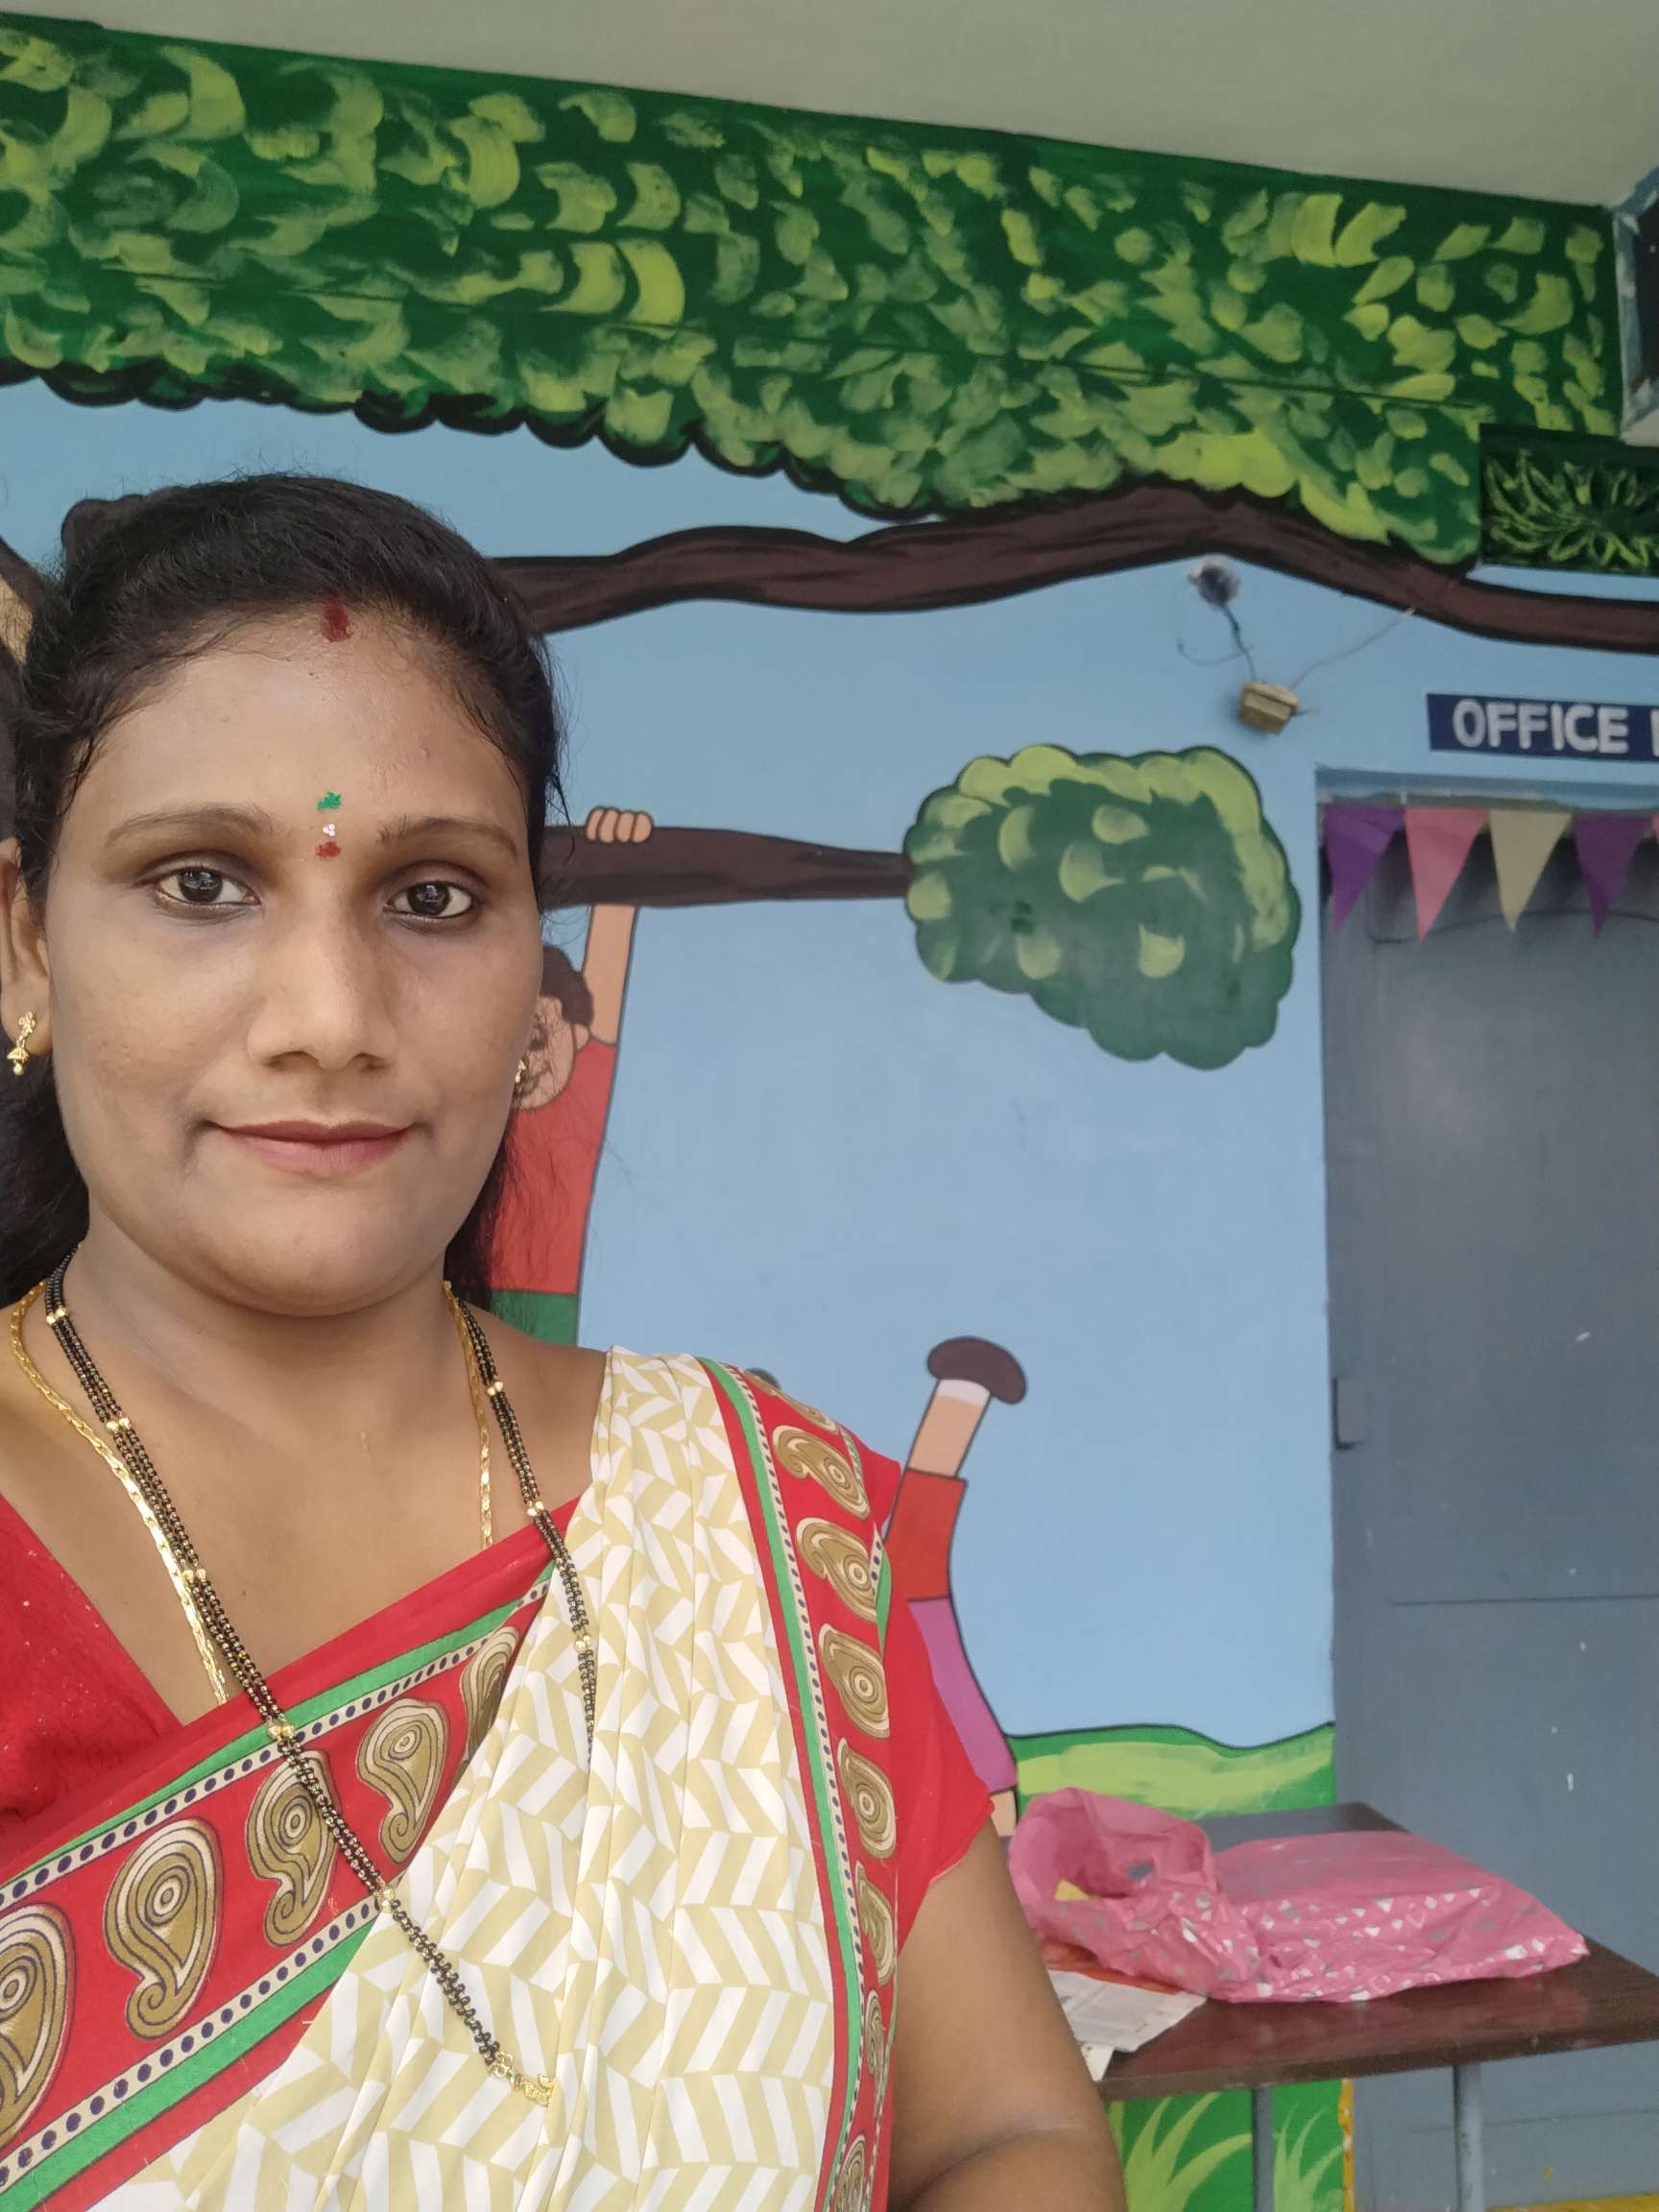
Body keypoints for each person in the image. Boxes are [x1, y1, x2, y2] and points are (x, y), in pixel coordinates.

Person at [0, 476, 1123, 2209]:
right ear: (25, 948)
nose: (329, 1018)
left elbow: (1006, 2133)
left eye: (433, 896)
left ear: (536, 963)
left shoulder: (755, 1520)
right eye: (202, 881)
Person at [488, 807, 651, 1347]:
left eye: (537, 1037)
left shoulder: (578, 1085)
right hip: (441, 1292)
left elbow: (609, 951)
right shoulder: (469, 1094)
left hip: (546, 1307)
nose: (525, 1062)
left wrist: (619, 861)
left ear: (579, 1035)